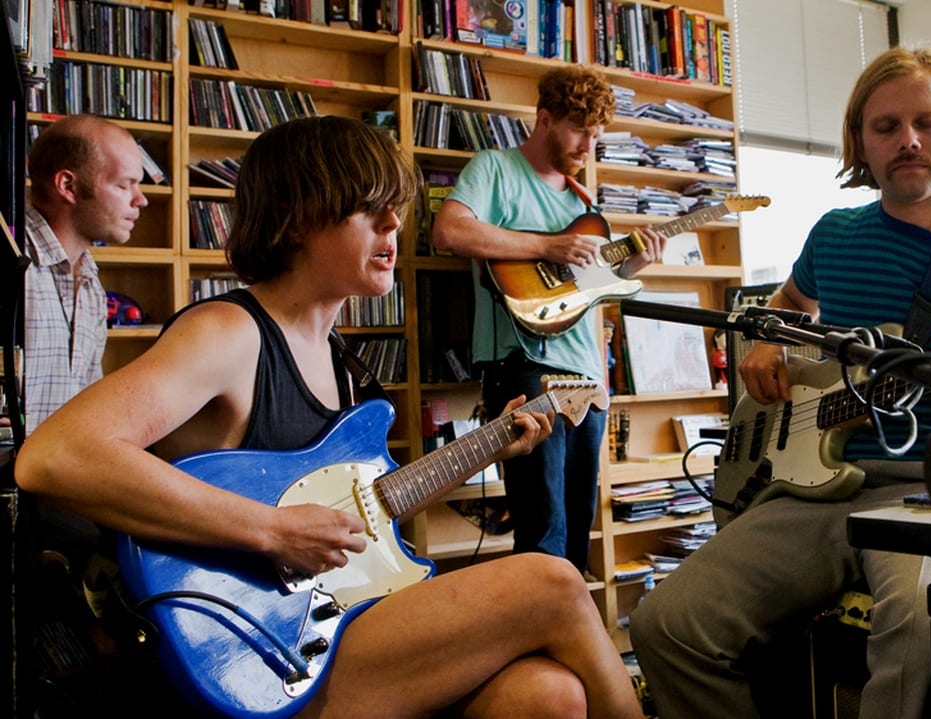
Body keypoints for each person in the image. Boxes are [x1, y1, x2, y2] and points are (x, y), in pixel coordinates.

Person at [15, 115, 646, 719]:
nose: (394, 225)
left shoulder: (342, 362)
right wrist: (271, 530)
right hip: (249, 650)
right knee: (553, 580)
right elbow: (56, 455)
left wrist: (494, 447)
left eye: (395, 208)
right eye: (369, 209)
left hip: (337, 619)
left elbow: (355, 511)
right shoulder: (230, 333)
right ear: (296, 221)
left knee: (549, 695)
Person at [630, 44, 931, 719]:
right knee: (666, 622)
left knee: (923, 627)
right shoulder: (834, 237)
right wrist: (761, 341)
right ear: (860, 145)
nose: (908, 140)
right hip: (811, 491)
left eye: (927, 122)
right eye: (885, 126)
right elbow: (784, 307)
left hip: (928, 495)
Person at [432, 65, 666, 572]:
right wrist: (546, 244)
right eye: (579, 131)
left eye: (597, 136)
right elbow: (449, 232)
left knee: (578, 531)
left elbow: (592, 289)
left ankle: (562, 647)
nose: (588, 147)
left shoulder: (584, 201)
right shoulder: (495, 169)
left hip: (588, 376)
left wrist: (635, 263)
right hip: (526, 366)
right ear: (544, 119)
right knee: (543, 535)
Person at [15, 114, 148, 433]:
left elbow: (84, 417)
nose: (140, 199)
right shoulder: (11, 261)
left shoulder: (91, 286)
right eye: (123, 184)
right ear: (68, 186)